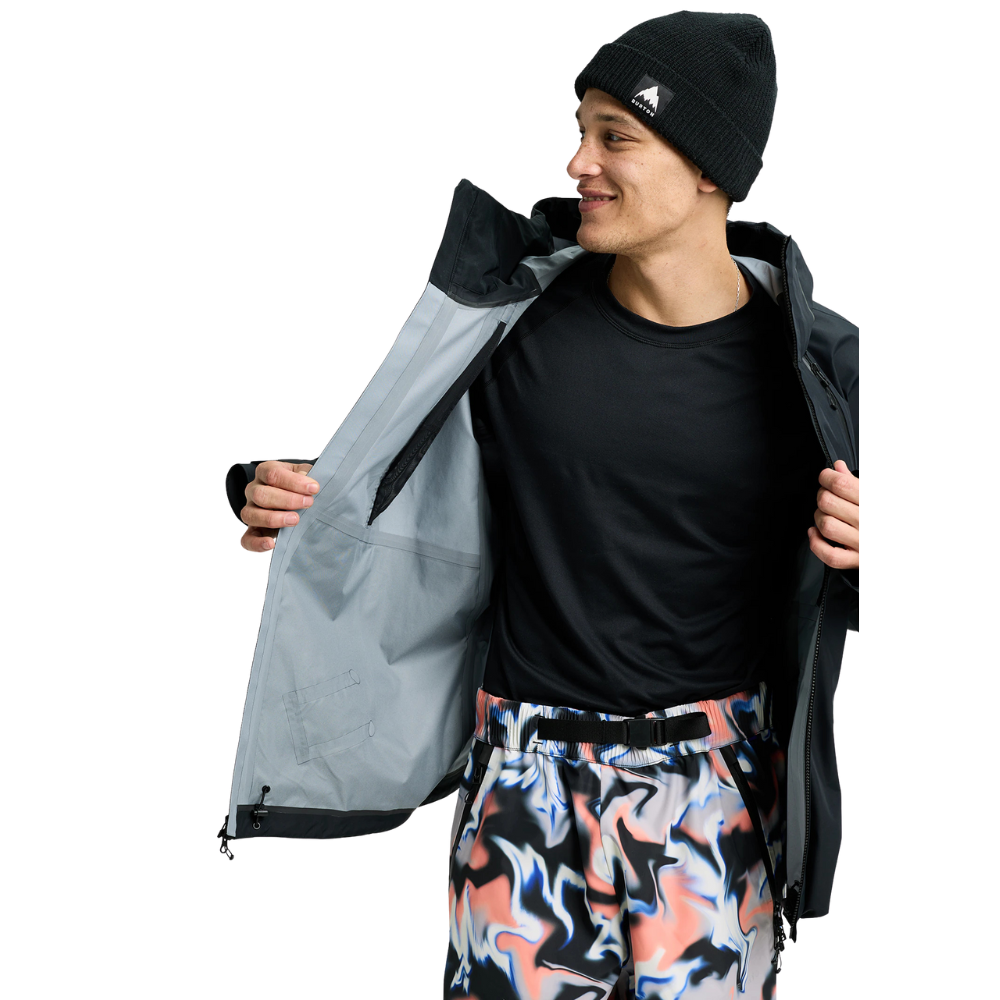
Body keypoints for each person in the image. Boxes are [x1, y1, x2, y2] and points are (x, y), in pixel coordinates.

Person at [223, 12, 858, 999]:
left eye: (615, 136)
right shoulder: (513, 324)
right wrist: (270, 488)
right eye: (579, 130)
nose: (577, 163)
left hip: (718, 806)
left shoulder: (813, 370)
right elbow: (402, 477)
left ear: (706, 168)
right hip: (525, 796)